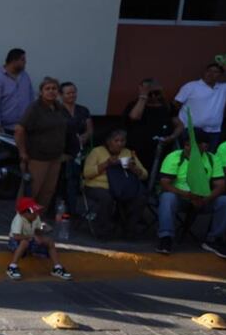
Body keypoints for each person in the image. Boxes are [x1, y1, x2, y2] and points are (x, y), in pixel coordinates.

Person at [155, 132, 226, 258]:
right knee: (167, 197)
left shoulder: (213, 159)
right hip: (180, 197)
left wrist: (205, 200)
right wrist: (188, 195)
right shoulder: (174, 157)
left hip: (203, 199)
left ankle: (213, 240)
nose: (188, 148)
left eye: (193, 145)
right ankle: (166, 238)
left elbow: (220, 185)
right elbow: (165, 183)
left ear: (204, 147)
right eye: (186, 145)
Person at [15, 77, 69, 211]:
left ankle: (37, 221)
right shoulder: (35, 108)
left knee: (48, 191)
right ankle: (22, 222)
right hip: (37, 157)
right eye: (47, 89)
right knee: (31, 191)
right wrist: (22, 152)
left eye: (54, 89)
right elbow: (19, 129)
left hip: (55, 157)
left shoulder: (59, 107)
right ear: (41, 92)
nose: (51, 91)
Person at [82, 129, 148, 239]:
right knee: (106, 198)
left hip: (122, 187)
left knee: (140, 197)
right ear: (108, 141)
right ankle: (103, 231)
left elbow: (145, 174)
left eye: (122, 140)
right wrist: (106, 164)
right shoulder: (97, 152)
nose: (120, 143)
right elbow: (86, 173)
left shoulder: (127, 152)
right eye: (116, 140)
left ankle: (129, 229)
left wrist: (134, 168)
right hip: (98, 186)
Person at [125, 78, 182, 175]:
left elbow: (179, 126)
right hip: (139, 148)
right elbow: (134, 117)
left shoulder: (168, 107)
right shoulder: (134, 105)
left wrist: (172, 137)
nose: (153, 97)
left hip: (160, 149)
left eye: (156, 93)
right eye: (150, 94)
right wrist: (143, 97)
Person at [7, 196, 72, 280]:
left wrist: (44, 229)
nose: (36, 213)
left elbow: (37, 230)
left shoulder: (36, 217)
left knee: (49, 241)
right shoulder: (18, 219)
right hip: (16, 242)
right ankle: (12, 266)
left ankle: (57, 267)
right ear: (24, 213)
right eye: (33, 212)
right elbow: (16, 236)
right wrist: (33, 237)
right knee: (24, 242)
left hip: (30, 240)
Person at [172, 62, 226, 151]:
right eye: (209, 71)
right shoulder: (191, 86)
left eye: (215, 72)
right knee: (190, 159)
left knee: (208, 159)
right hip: (191, 130)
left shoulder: (223, 88)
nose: (210, 74)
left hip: (213, 131)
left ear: (220, 75)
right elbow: (176, 103)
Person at [59, 82, 93, 217]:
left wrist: (86, 135)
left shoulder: (83, 110)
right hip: (62, 150)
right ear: (61, 95)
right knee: (60, 181)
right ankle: (57, 209)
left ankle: (72, 210)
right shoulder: (57, 110)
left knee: (74, 180)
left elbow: (90, 129)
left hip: (78, 151)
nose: (72, 95)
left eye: (74, 92)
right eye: (68, 93)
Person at [0, 48, 33, 132]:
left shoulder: (25, 77)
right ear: (14, 61)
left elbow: (31, 97)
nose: (25, 62)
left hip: (23, 127)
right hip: (3, 128)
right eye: (22, 59)